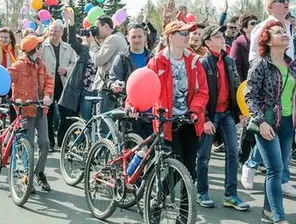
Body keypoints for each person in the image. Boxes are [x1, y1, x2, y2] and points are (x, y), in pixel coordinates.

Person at [243, 0, 296, 196]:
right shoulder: (264, 28)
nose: (285, 4)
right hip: (268, 90)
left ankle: (280, 182)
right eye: (281, 1)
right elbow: (255, 57)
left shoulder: (288, 25)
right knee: (267, 134)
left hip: (287, 85)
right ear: (270, 7)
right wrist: (267, 76)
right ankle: (251, 165)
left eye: (286, 1)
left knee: (281, 141)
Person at [196, 25, 250, 211]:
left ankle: (231, 195)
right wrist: (206, 118)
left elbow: (236, 85)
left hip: (227, 113)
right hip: (210, 115)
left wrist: (241, 111)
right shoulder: (202, 63)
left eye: (221, 36)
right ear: (208, 42)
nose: (222, 39)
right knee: (203, 155)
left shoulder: (228, 61)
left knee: (233, 153)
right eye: (217, 36)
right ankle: (201, 192)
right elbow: (199, 94)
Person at [147, 21, 209, 180]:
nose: (188, 36)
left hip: (190, 120)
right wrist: (132, 105)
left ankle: (186, 203)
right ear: (171, 37)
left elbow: (202, 91)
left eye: (188, 32)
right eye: (183, 33)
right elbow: (144, 86)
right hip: (167, 122)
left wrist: (194, 110)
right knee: (176, 164)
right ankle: (158, 199)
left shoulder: (195, 61)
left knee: (189, 168)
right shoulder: (156, 62)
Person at [8, 35, 54, 192]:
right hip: (26, 110)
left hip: (41, 109)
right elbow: (6, 79)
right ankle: (26, 176)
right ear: (36, 49)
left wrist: (48, 95)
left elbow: (49, 81)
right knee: (29, 145)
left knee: (45, 143)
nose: (42, 48)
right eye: (40, 46)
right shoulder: (19, 66)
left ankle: (39, 173)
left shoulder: (42, 65)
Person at [107, 23, 153, 138]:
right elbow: (112, 78)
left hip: (151, 112)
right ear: (127, 38)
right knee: (133, 150)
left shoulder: (152, 58)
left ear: (145, 38)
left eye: (139, 36)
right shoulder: (122, 58)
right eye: (133, 37)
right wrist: (114, 85)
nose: (137, 40)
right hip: (130, 110)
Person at [42, 21, 76, 151]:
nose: (53, 33)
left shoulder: (68, 47)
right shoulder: (42, 46)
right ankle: (49, 143)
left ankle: (62, 142)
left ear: (61, 33)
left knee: (65, 115)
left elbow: (75, 63)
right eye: (51, 30)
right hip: (47, 86)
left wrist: (67, 69)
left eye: (56, 31)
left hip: (64, 85)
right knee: (47, 115)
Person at [58, 10, 97, 121]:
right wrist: (72, 23)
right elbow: (73, 42)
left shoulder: (102, 49)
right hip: (85, 91)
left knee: (97, 124)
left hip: (99, 92)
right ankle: (84, 138)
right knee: (86, 122)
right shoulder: (84, 50)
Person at [230, 13, 258, 165]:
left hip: (259, 89)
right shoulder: (239, 43)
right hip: (245, 90)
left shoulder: (260, 42)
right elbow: (236, 69)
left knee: (256, 124)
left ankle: (254, 160)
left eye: (257, 22)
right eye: (253, 23)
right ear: (245, 28)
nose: (256, 25)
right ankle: (244, 158)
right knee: (248, 125)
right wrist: (242, 93)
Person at [89, 15, 127, 113]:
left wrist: (92, 44)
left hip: (107, 87)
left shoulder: (113, 39)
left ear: (106, 26)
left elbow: (97, 60)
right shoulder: (119, 37)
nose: (95, 31)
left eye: (97, 28)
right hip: (115, 86)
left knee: (103, 123)